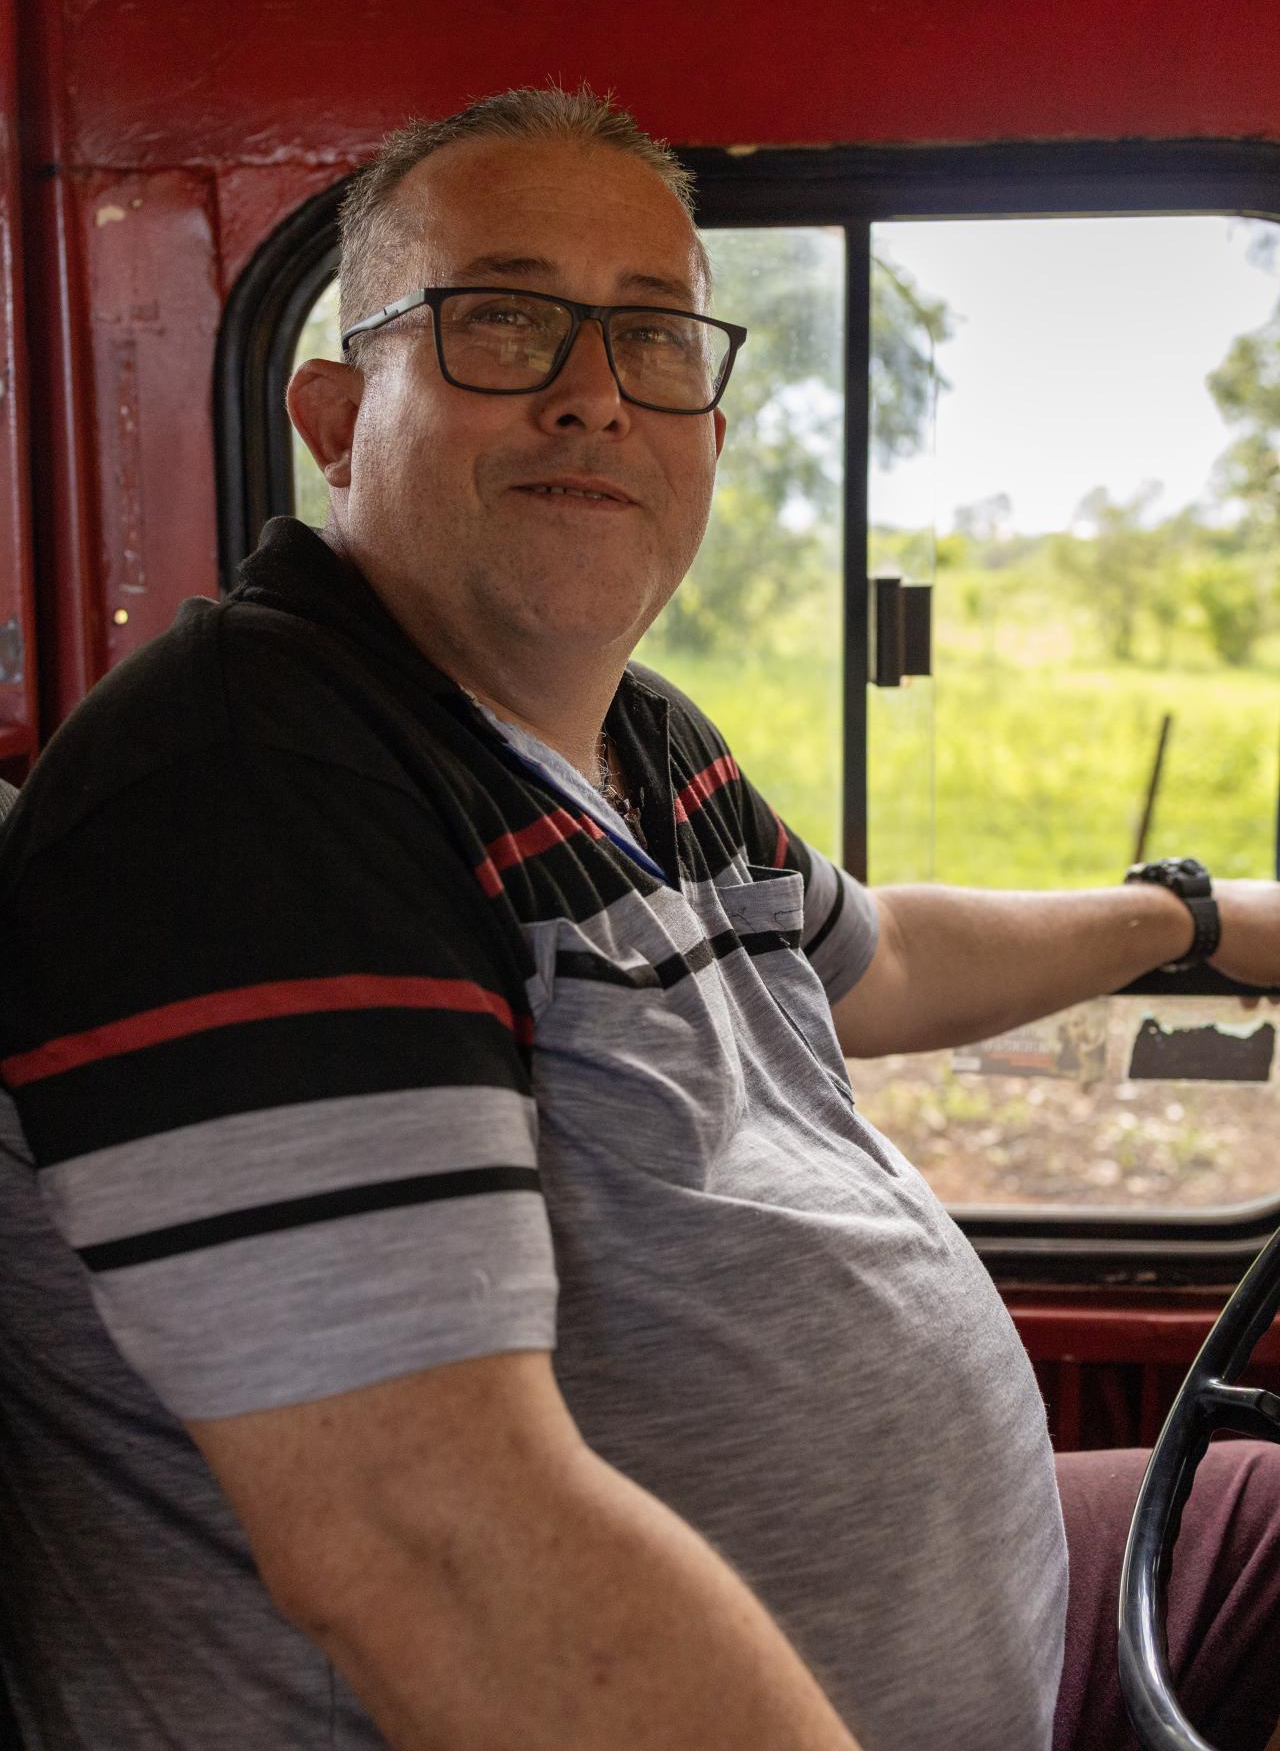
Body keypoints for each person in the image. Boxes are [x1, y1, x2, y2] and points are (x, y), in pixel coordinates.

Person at [2, 85, 1279, 1751]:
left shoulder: (631, 741)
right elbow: (428, 1547)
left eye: (655, 336)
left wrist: (1196, 918)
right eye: (503, 320)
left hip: (982, 1643)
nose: (594, 393)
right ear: (334, 416)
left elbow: (882, 958)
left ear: (711, 435)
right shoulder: (246, 787)